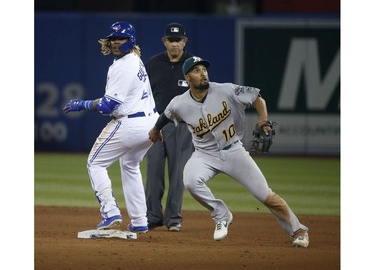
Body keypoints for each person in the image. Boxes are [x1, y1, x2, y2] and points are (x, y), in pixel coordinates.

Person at [148, 56, 309, 247]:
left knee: (265, 195)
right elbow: (165, 116)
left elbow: (257, 98)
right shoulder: (179, 103)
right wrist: (155, 130)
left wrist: (263, 120)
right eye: (196, 71)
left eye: (204, 69)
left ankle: (299, 231)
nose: (203, 73)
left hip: (234, 151)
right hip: (204, 155)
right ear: (187, 78)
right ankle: (221, 214)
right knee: (190, 180)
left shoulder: (226, 90)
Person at [63, 21, 158, 234]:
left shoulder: (124, 65)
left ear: (130, 40)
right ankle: (140, 220)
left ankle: (110, 212)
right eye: (114, 38)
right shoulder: (134, 58)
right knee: (130, 165)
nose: (116, 42)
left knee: (95, 163)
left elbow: (108, 106)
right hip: (150, 123)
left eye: (121, 38)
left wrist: (83, 104)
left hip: (131, 123)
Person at [144, 23, 194, 232]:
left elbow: (203, 95)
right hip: (155, 125)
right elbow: (143, 95)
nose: (175, 44)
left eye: (178, 40)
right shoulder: (153, 64)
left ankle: (173, 219)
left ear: (185, 41)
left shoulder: (193, 65)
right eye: (171, 40)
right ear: (164, 41)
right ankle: (153, 217)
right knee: (153, 173)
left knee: (178, 175)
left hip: (182, 127)